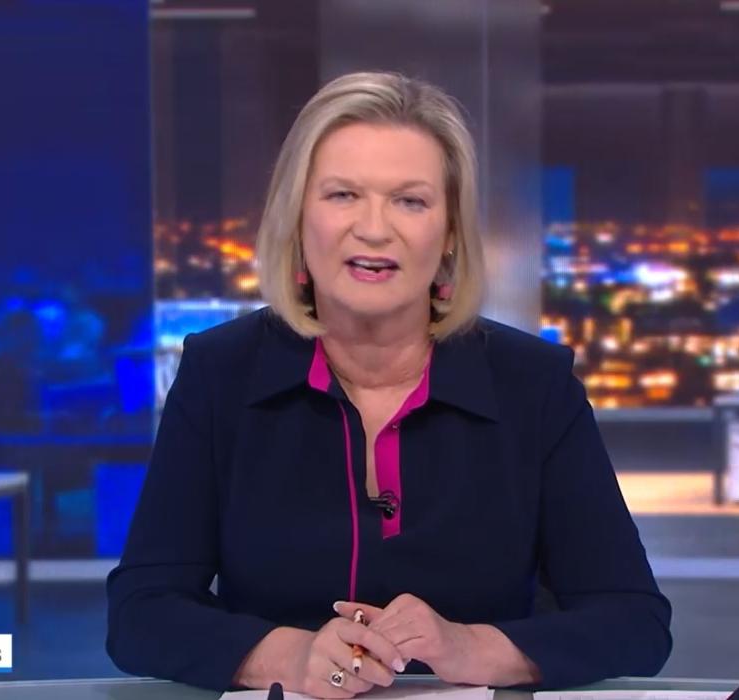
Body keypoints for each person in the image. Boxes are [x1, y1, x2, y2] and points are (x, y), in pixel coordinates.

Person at [106, 72, 671, 696]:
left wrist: (472, 647)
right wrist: (286, 656)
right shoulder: (221, 372)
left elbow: (634, 621)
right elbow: (140, 612)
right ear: (298, 218)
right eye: (343, 194)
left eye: (410, 201)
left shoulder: (532, 383)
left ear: (449, 233)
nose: (374, 228)